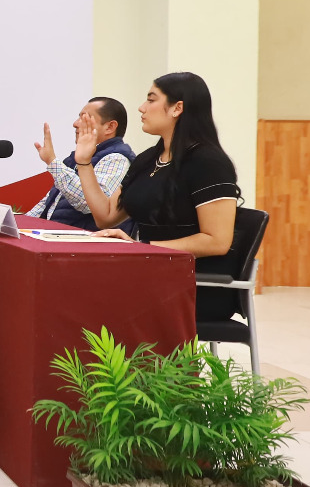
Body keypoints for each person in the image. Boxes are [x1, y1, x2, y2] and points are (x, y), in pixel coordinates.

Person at [70, 72, 242, 321]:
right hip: (149, 269)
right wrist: (84, 162)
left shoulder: (209, 163)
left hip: (195, 282)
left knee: (84, 297)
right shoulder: (148, 159)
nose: (142, 108)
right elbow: (105, 217)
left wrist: (141, 248)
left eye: (151, 100)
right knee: (72, 286)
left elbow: (217, 241)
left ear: (177, 108)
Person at [29, 97, 135, 231]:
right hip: (54, 236)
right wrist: (21, 225)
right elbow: (48, 204)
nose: (75, 124)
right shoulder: (74, 159)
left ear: (110, 127)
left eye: (85, 118)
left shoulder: (117, 159)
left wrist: (52, 161)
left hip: (83, 242)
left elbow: (89, 204)